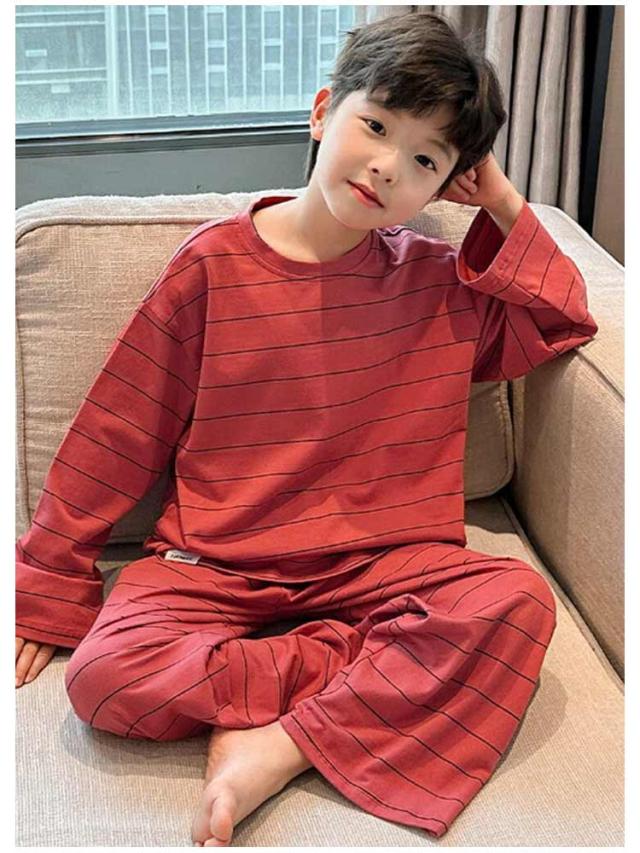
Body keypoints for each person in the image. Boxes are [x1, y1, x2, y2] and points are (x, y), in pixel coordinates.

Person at [15, 11, 598, 847]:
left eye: (426, 160)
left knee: (516, 599)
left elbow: (563, 316)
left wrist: (502, 199)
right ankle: (366, 666)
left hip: (384, 565)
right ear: (324, 110)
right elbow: (119, 430)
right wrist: (51, 576)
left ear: (448, 186)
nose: (388, 165)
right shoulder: (210, 267)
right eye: (377, 126)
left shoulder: (442, 284)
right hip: (216, 566)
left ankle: (281, 744)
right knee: (105, 678)